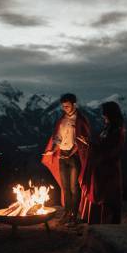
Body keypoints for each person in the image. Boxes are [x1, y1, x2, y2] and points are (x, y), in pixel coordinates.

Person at [42, 93, 90, 225]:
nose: (65, 108)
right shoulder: (62, 120)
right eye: (63, 106)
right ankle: (67, 212)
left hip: (74, 156)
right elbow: (57, 137)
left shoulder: (80, 120)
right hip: (62, 155)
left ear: (74, 104)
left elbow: (83, 141)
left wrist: (72, 152)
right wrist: (52, 150)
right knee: (65, 187)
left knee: (74, 187)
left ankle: (74, 215)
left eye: (67, 106)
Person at [80, 101, 125, 224]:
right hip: (101, 167)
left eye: (105, 113)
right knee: (102, 193)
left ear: (110, 114)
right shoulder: (109, 127)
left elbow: (111, 150)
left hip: (108, 169)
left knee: (108, 195)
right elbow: (102, 144)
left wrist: (92, 145)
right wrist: (90, 143)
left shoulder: (117, 130)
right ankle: (100, 220)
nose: (103, 115)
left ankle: (109, 222)